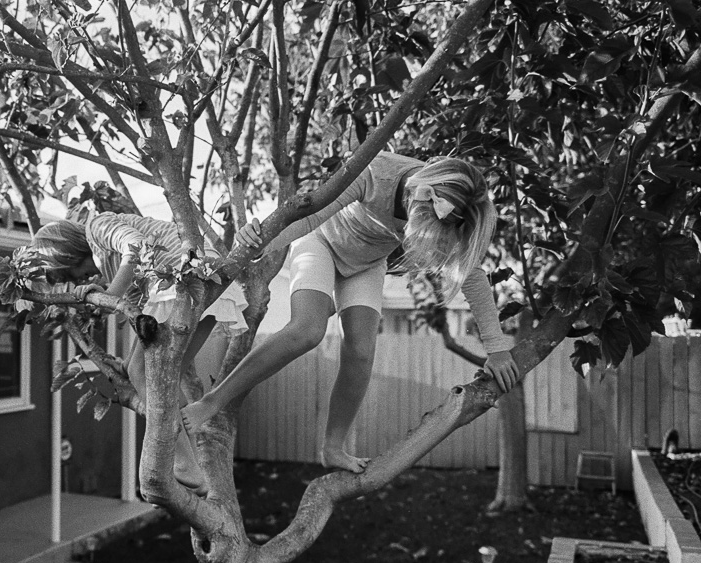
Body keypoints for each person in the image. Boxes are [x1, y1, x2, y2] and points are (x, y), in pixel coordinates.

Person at [181, 152, 520, 473]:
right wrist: (258, 245)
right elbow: (312, 215)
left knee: (360, 351)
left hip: (367, 264)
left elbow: (471, 275)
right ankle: (213, 401)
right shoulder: (376, 170)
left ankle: (332, 448)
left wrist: (498, 349)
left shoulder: (452, 206)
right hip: (321, 242)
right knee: (308, 330)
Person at [30, 212, 249, 495]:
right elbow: (142, 310)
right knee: (160, 374)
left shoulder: (97, 227)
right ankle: (188, 452)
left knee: (144, 374)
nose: (79, 280)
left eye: (70, 274)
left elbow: (136, 247)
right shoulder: (107, 260)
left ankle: (184, 463)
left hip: (182, 279)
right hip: (208, 283)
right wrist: (128, 354)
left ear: (68, 253)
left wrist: (109, 295)